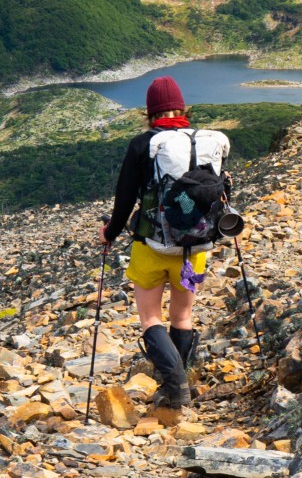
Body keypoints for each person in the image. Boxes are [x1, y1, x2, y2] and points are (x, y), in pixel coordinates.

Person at [99, 75, 231, 421]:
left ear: (150, 111)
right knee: (183, 316)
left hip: (152, 246)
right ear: (182, 106)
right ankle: (174, 383)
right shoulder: (206, 144)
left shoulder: (143, 145)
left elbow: (125, 198)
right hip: (195, 248)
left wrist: (110, 232)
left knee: (149, 317)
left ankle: (175, 386)